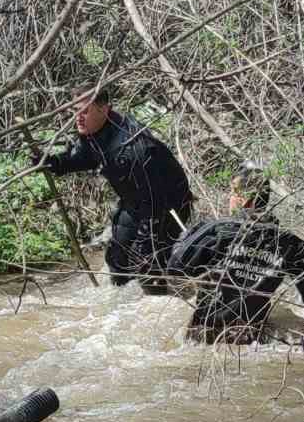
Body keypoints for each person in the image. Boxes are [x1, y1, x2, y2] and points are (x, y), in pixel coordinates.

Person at [167, 167, 304, 344]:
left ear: (244, 199)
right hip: (250, 338)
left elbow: (175, 267)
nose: (229, 198)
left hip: (202, 336)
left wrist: (186, 240)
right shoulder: (292, 244)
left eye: (232, 192)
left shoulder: (215, 231)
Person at [41, 88, 193, 294]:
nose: (77, 117)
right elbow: (83, 157)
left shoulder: (134, 145)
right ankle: (119, 310)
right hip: (134, 202)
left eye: (84, 111)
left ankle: (159, 305)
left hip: (166, 206)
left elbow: (155, 199)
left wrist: (146, 241)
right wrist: (55, 163)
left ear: (104, 109)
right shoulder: (93, 132)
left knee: (148, 264)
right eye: (75, 111)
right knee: (118, 259)